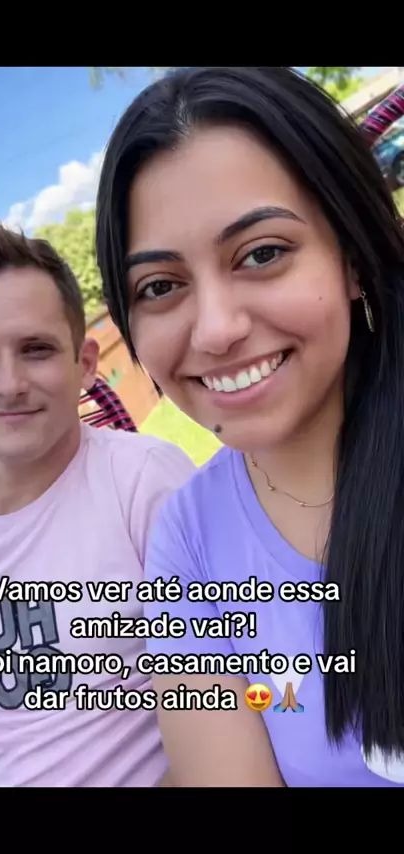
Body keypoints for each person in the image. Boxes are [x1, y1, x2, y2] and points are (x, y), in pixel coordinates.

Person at [94, 66, 404, 787]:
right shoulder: (188, 543)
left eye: (262, 253)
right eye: (160, 286)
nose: (216, 329)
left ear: (351, 256)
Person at [0, 221, 196, 787]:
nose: (9, 382)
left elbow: (227, 707)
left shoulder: (142, 482)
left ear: (85, 362)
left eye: (36, 349)